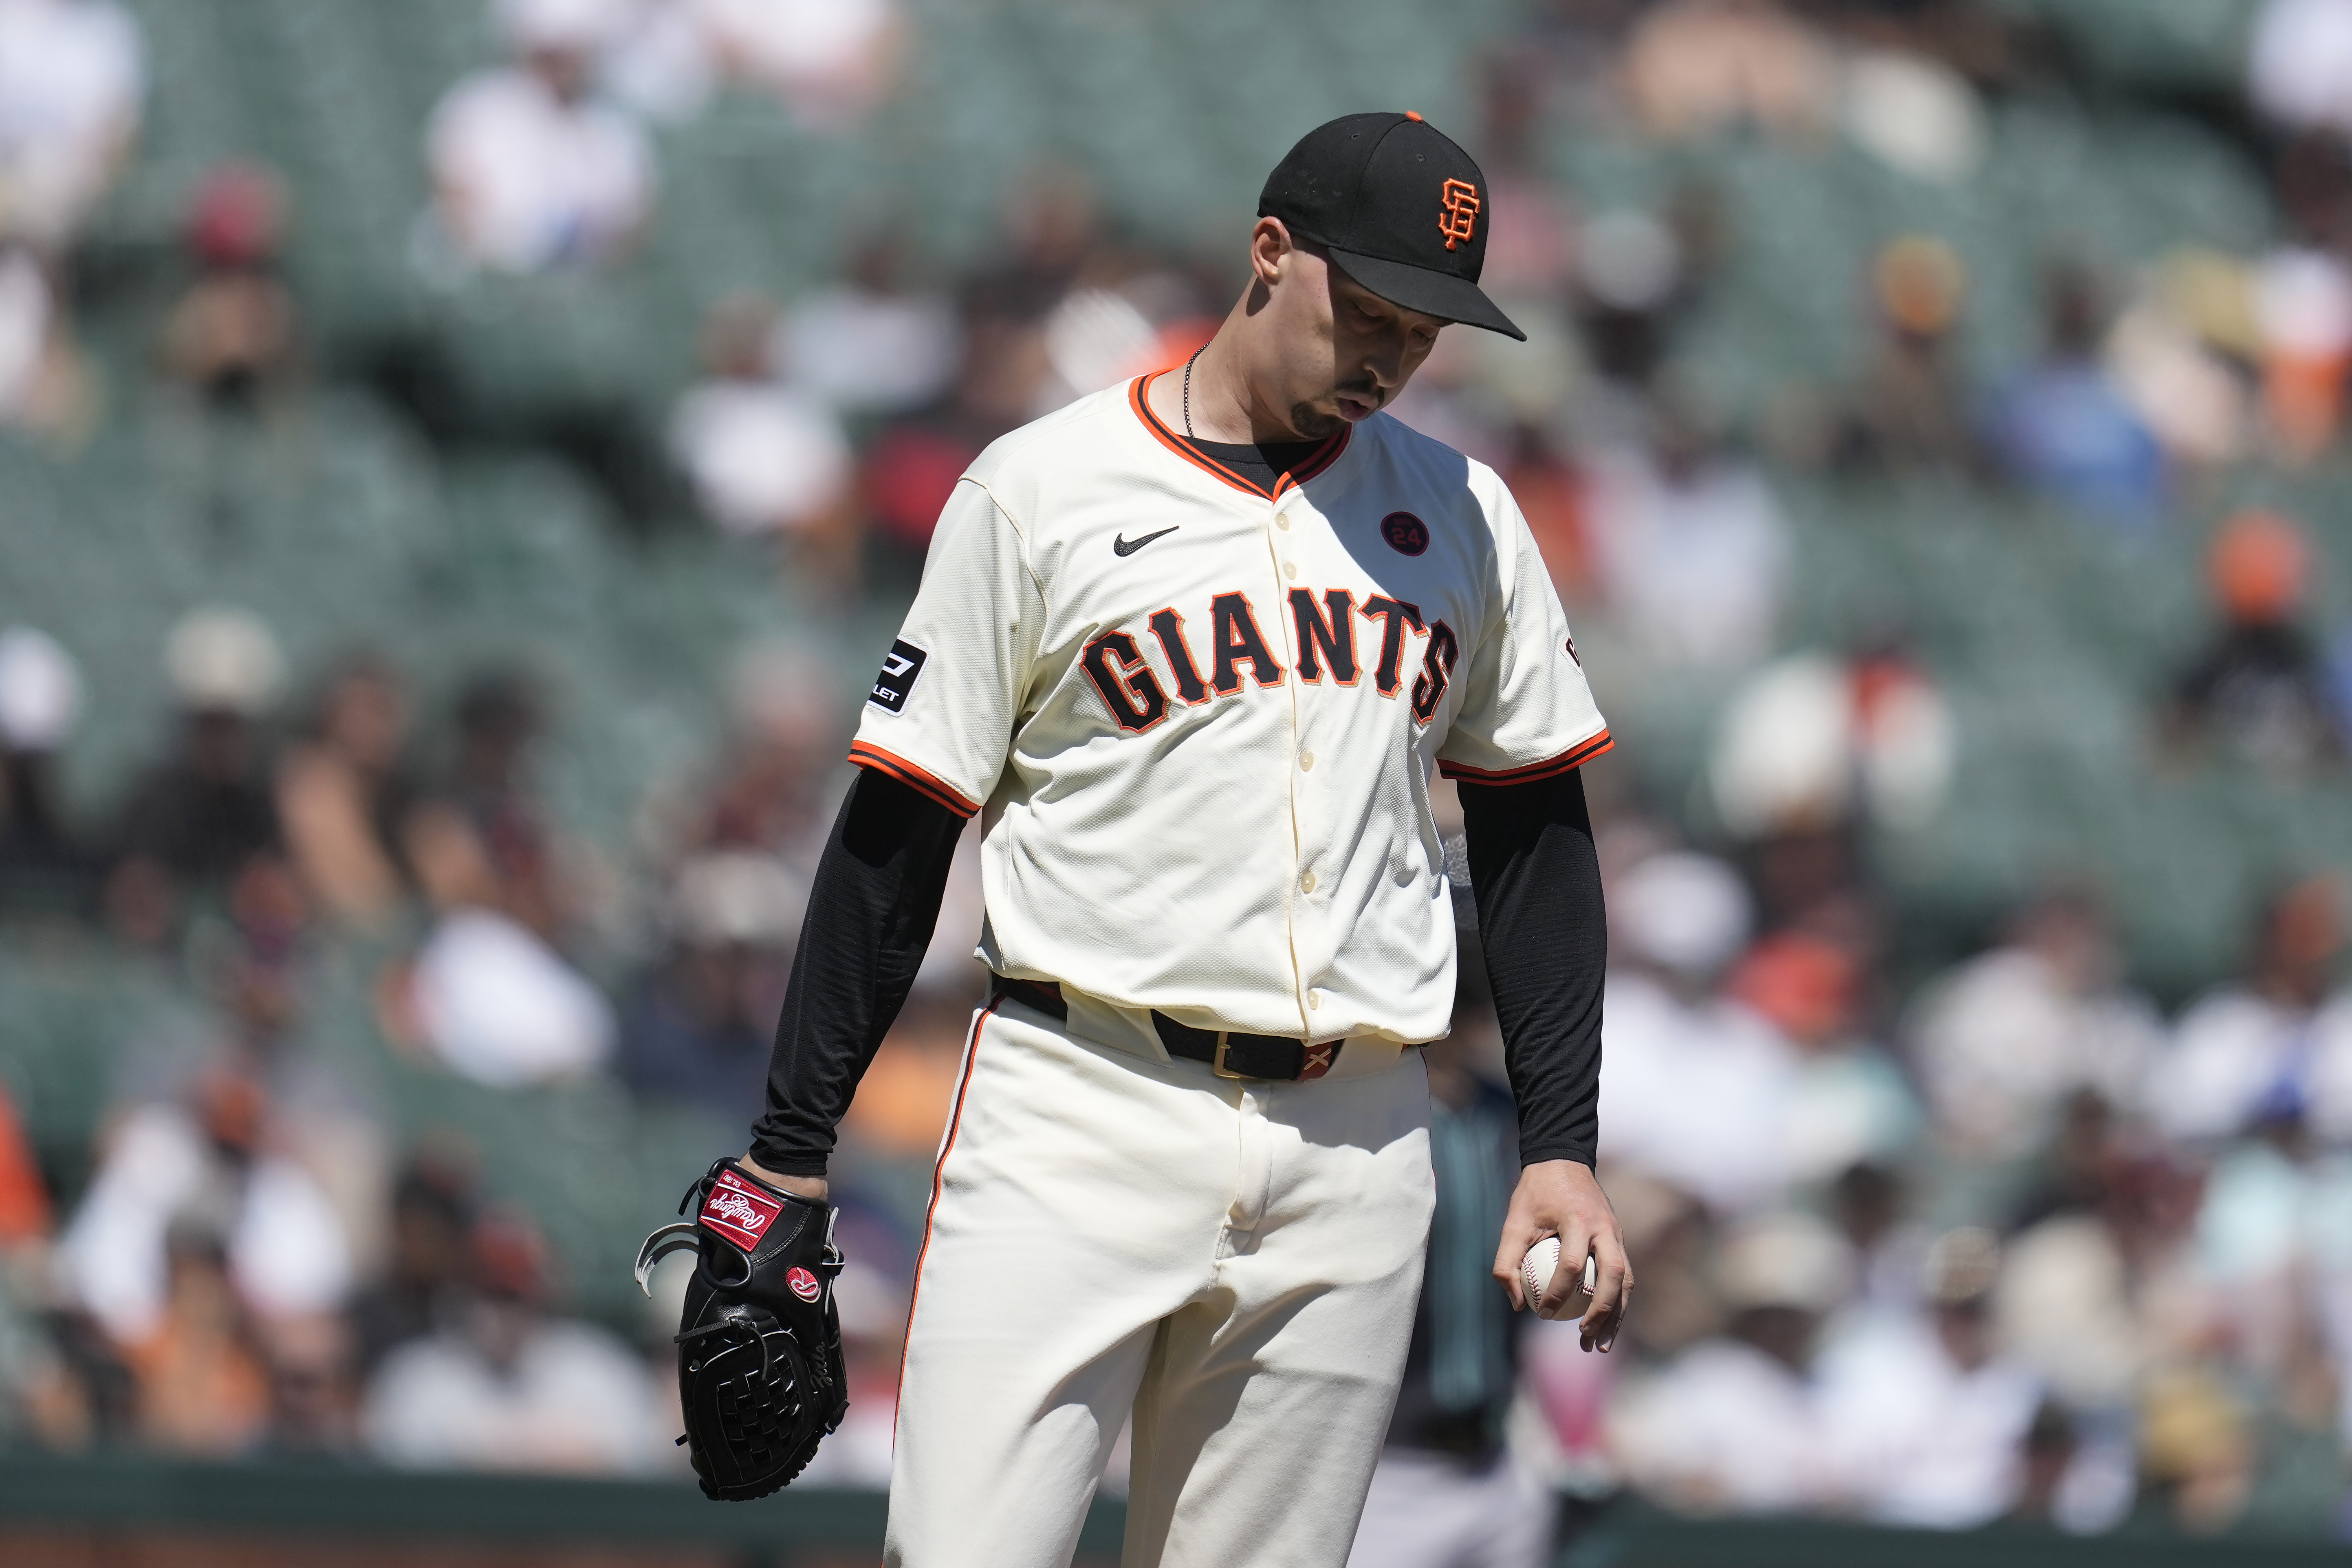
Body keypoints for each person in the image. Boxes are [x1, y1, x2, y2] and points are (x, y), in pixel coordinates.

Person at [722, 113, 1628, 1566]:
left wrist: (1563, 1143)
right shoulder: (1041, 488)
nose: (1393, 356)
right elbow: (896, 828)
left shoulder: (1463, 514)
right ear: (1269, 254)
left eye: (1426, 328)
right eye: (1372, 310)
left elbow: (1535, 833)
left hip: (1356, 1138)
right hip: (1078, 1100)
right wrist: (789, 1151)